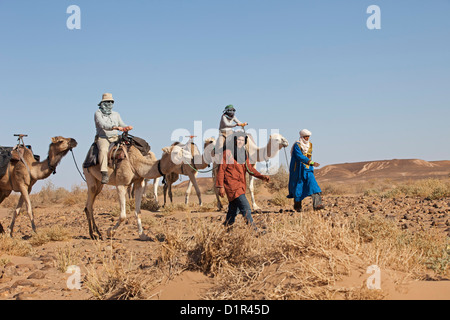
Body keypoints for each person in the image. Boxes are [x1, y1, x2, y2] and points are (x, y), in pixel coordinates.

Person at [216, 131, 270, 232]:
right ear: (235, 140)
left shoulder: (243, 153)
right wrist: (220, 186)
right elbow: (221, 170)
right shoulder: (227, 153)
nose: (240, 141)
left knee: (233, 210)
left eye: (242, 140)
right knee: (246, 208)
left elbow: (249, 169)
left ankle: (226, 231)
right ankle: (254, 230)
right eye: (238, 139)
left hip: (241, 185)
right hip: (232, 186)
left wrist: (261, 176)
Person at [94, 93, 133, 184]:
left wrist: (126, 127)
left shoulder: (116, 114)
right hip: (103, 138)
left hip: (115, 137)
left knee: (131, 146)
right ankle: (104, 173)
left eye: (111, 102)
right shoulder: (98, 113)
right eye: (108, 102)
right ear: (103, 103)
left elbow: (121, 124)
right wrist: (114, 127)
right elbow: (102, 124)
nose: (110, 103)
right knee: (103, 150)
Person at [287, 129, 324, 212]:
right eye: (305, 136)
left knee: (313, 184)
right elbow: (299, 156)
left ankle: (317, 204)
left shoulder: (310, 145)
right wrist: (311, 162)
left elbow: (309, 156)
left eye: (308, 136)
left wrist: (310, 164)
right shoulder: (297, 145)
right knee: (298, 187)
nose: (307, 138)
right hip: (298, 170)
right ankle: (297, 206)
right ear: (302, 137)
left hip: (308, 169)